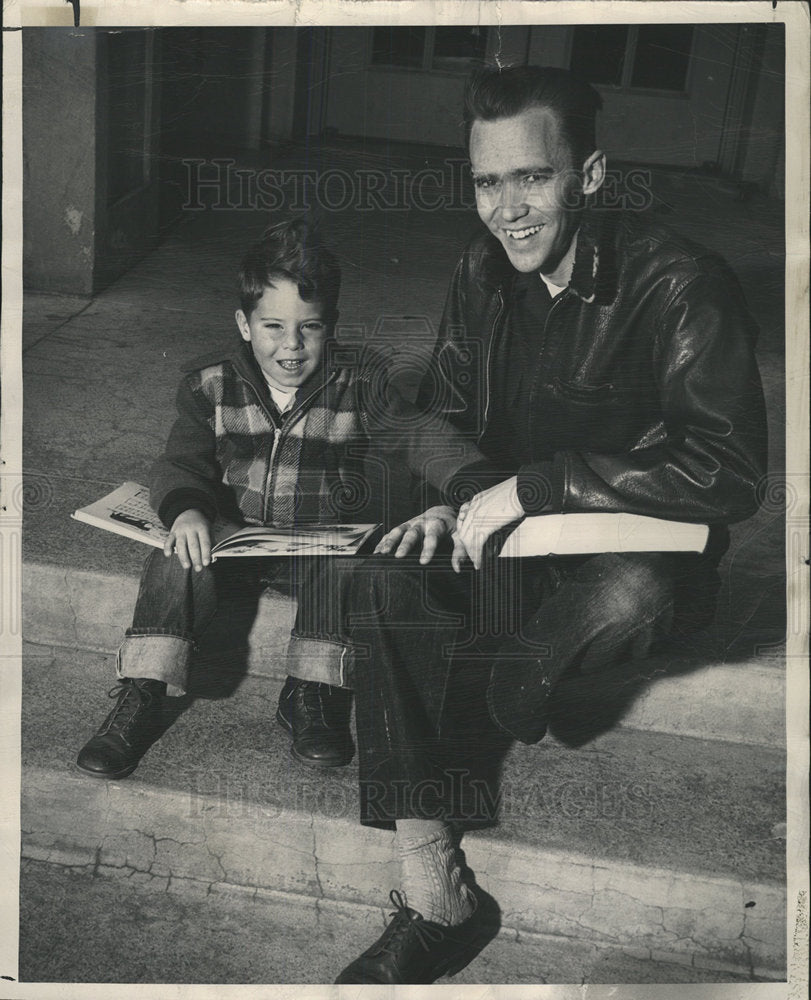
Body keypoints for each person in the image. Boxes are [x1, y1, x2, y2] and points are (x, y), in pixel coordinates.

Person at [334, 65, 768, 983]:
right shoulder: (478, 270)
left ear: (591, 175)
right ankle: (435, 895)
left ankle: (491, 689)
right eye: (488, 182)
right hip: (507, 539)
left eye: (531, 177)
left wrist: (544, 486)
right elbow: (440, 413)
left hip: (632, 549)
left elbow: (727, 471)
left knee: (629, 590)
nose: (508, 210)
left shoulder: (682, 283)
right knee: (378, 571)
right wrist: (448, 498)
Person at [76, 218, 484, 780]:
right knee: (175, 560)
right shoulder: (210, 383)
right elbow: (181, 460)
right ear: (244, 324)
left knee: (347, 564)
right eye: (272, 326)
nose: (290, 346)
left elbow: (422, 439)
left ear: (331, 326)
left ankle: (311, 692)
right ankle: (143, 690)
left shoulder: (359, 382)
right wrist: (189, 510)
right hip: (233, 539)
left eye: (309, 329)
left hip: (316, 544)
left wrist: (468, 491)